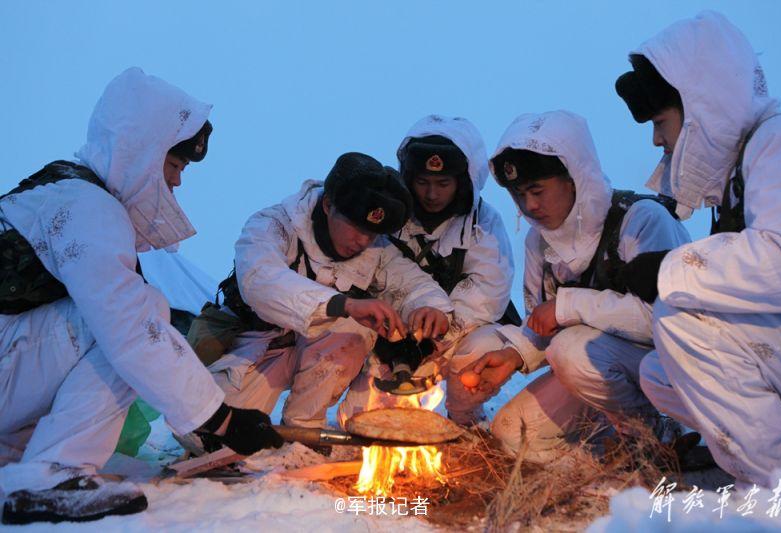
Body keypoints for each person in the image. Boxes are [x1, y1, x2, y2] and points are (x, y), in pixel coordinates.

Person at [0, 68, 283, 525]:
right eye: (174, 165)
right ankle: (52, 474)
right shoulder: (89, 207)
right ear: (141, 153)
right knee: (135, 314)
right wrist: (220, 419)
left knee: (123, 316)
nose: (177, 182)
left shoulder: (63, 192)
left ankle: (30, 463)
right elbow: (128, 326)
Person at [615, 11, 781, 486]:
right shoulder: (745, 169)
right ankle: (758, 461)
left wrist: (669, 271)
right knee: (660, 370)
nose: (657, 139)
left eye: (661, 121)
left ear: (702, 109)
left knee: (680, 321)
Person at [462, 110, 690, 460]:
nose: (529, 205)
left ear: (574, 178)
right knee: (511, 434)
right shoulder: (538, 243)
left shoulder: (641, 220)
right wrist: (515, 355)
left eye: (537, 190)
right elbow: (544, 325)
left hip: (669, 373)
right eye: (519, 195)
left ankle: (654, 435)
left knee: (572, 349)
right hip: (596, 377)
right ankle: (601, 460)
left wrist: (569, 307)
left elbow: (668, 321)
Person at [201, 152, 452, 434]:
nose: (362, 241)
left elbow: (413, 283)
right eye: (356, 227)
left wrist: (430, 306)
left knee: (354, 333)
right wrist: (343, 305)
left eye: (371, 233)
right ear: (328, 204)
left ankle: (304, 430)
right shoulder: (274, 225)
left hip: (319, 352)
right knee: (205, 432)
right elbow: (260, 281)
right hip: (261, 345)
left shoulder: (376, 250)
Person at [338, 115, 515, 425]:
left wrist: (433, 337)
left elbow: (489, 293)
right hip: (390, 338)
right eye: (423, 182)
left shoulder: (484, 224)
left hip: (458, 334)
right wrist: (394, 337)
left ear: (463, 182)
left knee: (481, 352)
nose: (432, 194)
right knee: (361, 423)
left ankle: (465, 420)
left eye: (443, 183)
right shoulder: (387, 214)